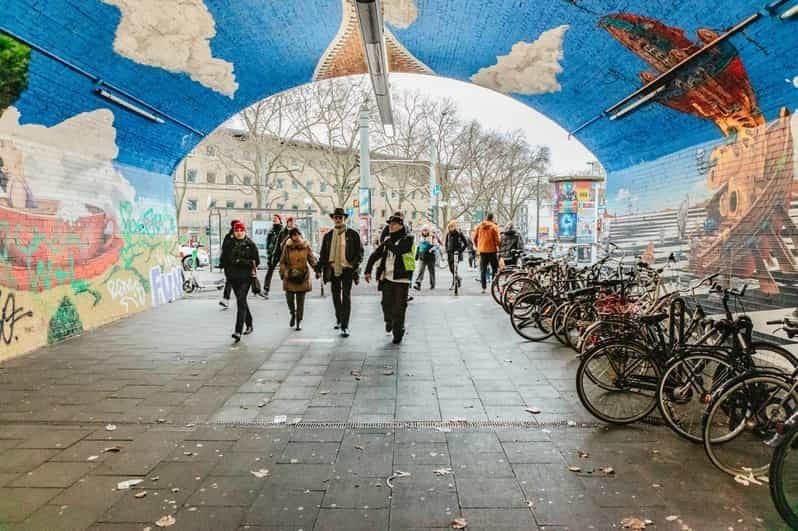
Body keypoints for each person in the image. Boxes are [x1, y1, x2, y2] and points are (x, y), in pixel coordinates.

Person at [365, 215, 414, 344]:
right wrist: (367, 270)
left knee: (399, 307)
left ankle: (398, 331)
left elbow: (399, 251)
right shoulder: (388, 240)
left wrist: (387, 242)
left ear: (401, 225)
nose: (391, 226)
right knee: (385, 303)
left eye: (394, 224)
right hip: (387, 278)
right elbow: (375, 254)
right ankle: (389, 320)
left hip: (402, 279)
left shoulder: (408, 239)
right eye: (390, 224)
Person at [318, 208, 364, 337]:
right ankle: (339, 317)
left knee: (346, 296)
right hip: (333, 269)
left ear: (345, 219)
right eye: (336, 217)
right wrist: (318, 268)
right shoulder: (328, 236)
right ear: (333, 219)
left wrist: (353, 264)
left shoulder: (352, 234)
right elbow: (323, 254)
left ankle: (345, 325)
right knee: (336, 296)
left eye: (340, 217)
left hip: (347, 269)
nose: (338, 220)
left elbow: (360, 252)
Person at [219, 221, 259, 342]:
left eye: (241, 230)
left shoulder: (250, 244)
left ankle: (238, 331)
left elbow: (256, 261)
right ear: (234, 231)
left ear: (245, 231)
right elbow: (224, 259)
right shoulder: (229, 243)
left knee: (240, 302)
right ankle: (250, 323)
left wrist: (241, 262)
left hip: (246, 278)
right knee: (242, 301)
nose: (239, 233)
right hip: (233, 278)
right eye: (237, 230)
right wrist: (227, 270)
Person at [279, 227, 318, 331]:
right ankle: (292, 313)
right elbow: (282, 261)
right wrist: (283, 272)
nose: (296, 237)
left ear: (301, 235)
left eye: (298, 234)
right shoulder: (287, 247)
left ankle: (299, 321)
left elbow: (311, 259)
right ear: (291, 236)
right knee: (290, 299)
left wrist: (317, 270)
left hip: (302, 276)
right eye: (293, 235)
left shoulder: (306, 246)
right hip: (290, 276)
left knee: (301, 301)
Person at [473, 213, 501, 293]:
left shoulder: (479, 226)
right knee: (495, 268)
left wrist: (478, 246)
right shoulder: (494, 227)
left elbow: (474, 238)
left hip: (482, 251)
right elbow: (497, 240)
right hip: (492, 251)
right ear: (492, 218)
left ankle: (483, 288)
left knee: (483, 270)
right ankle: (494, 286)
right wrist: (499, 246)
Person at [261, 214, 286, 299]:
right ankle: (266, 289)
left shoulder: (283, 230)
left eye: (276, 218)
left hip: (282, 253)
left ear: (280, 220)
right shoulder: (271, 230)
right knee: (270, 271)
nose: (274, 220)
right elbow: (268, 242)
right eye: (273, 219)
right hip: (274, 253)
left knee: (285, 271)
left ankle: (288, 289)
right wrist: (269, 252)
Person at [218, 219, 240, 309]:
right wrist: (222, 262)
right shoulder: (228, 237)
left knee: (234, 282)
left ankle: (228, 299)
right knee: (230, 280)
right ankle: (226, 299)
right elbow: (224, 250)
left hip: (237, 263)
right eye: (235, 226)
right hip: (228, 263)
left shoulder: (240, 236)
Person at [445, 220, 469, 290]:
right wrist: (447, 249)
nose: (451, 228)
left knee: (454, 269)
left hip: (456, 254)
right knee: (451, 269)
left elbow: (465, 243)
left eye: (452, 226)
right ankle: (458, 278)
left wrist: (461, 250)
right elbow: (446, 243)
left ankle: (453, 284)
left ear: (455, 227)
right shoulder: (448, 234)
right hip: (449, 253)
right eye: (450, 227)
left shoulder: (459, 233)